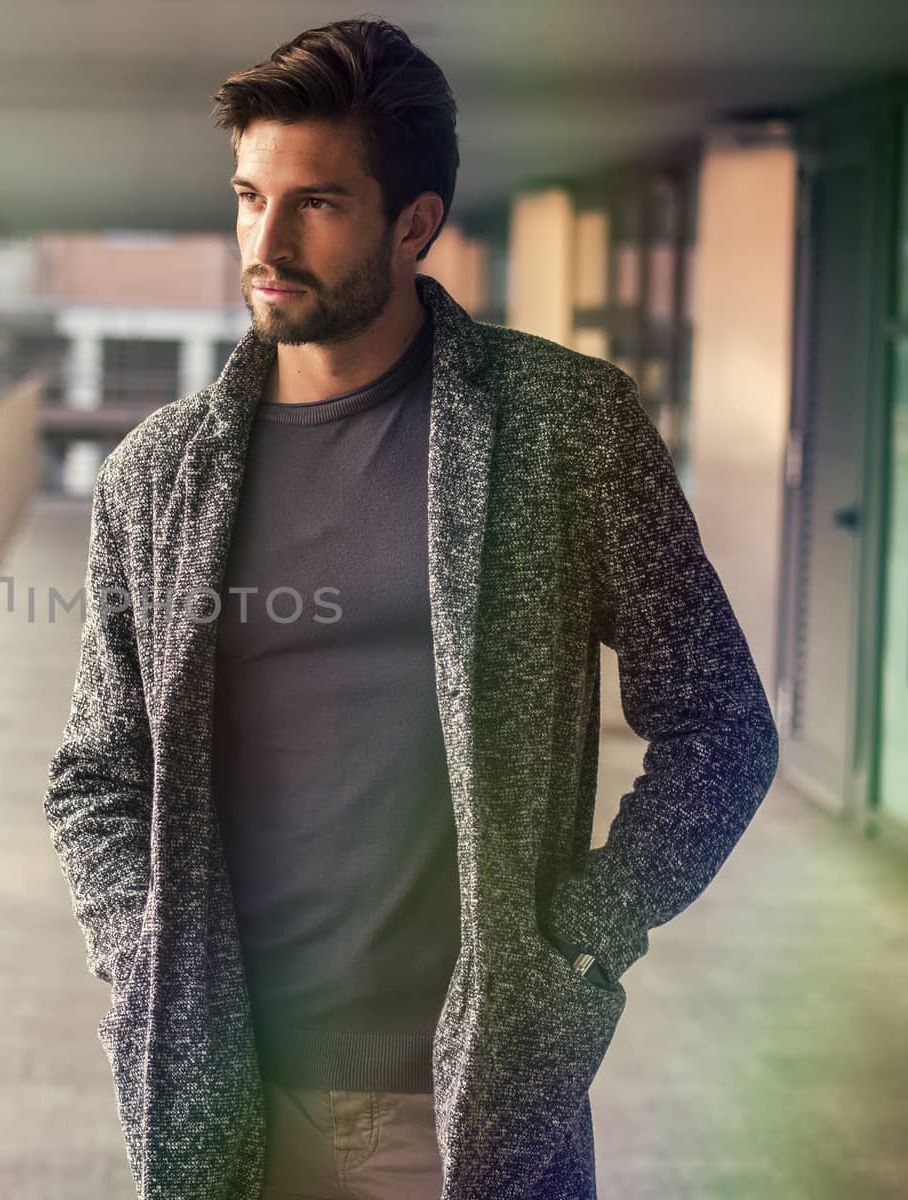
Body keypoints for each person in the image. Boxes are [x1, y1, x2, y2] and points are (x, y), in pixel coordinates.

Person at [42, 17, 779, 1200]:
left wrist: (582, 939)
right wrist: (141, 960)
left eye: (316, 204)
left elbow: (720, 726)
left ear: (414, 222)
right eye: (247, 196)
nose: (264, 241)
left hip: (473, 1100)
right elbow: (95, 772)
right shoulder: (155, 476)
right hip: (225, 1100)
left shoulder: (563, 429)